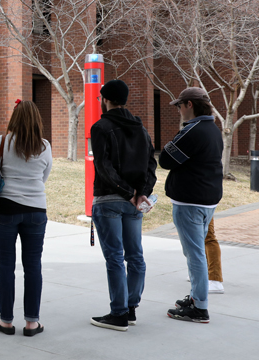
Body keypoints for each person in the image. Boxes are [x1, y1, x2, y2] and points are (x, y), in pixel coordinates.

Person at [88, 80, 157, 332]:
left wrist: (127, 193)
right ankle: (130, 309)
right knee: (135, 256)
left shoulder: (101, 126)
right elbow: (152, 165)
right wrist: (141, 194)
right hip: (134, 203)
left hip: (109, 200)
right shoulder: (141, 129)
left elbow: (103, 167)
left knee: (115, 258)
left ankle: (118, 313)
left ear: (106, 99)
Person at [0, 100, 52, 337]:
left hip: (6, 211)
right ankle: (32, 323)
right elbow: (44, 176)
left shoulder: (2, 142)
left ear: (14, 119)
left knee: (6, 267)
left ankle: (6, 321)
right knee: (33, 267)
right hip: (36, 212)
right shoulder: (44, 146)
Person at [160, 87, 223, 324]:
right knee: (195, 251)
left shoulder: (192, 131)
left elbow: (165, 159)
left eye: (179, 105)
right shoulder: (214, 129)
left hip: (189, 201)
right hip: (208, 200)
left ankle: (200, 307)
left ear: (189, 104)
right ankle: (197, 298)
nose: (178, 110)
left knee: (194, 253)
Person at [205, 219, 224, 293]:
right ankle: (201, 272)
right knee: (196, 236)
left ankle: (215, 279)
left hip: (203, 208)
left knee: (208, 236)